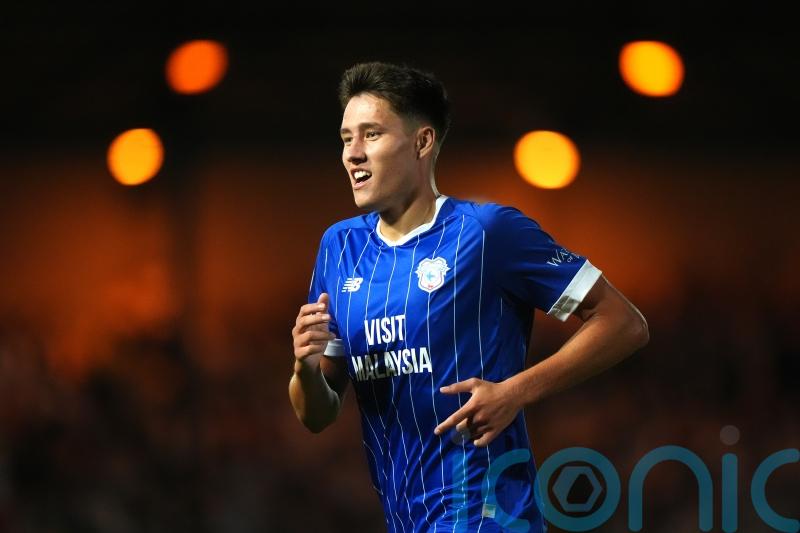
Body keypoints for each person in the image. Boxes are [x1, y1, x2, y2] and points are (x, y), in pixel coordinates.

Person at [289, 61, 649, 533]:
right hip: (405, 520)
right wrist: (304, 368)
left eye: (371, 135)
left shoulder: (487, 231)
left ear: (423, 141)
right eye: (345, 138)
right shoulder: (340, 248)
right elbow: (317, 413)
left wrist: (514, 392)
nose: (352, 154)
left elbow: (623, 322)